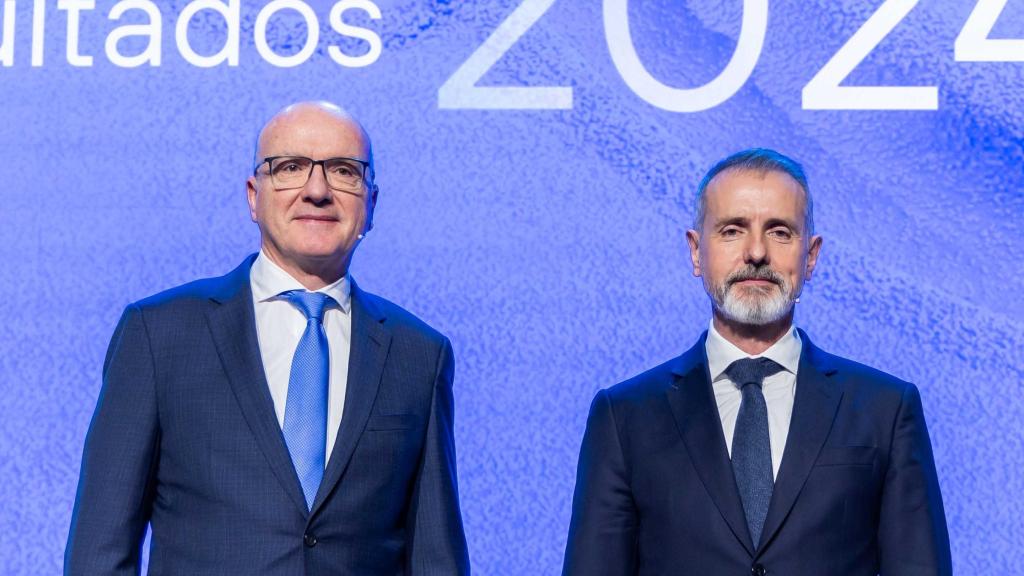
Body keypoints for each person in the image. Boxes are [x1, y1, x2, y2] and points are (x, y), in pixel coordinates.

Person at [65, 101, 470, 575]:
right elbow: (100, 552)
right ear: (253, 197)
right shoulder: (159, 335)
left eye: (343, 170)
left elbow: (436, 559)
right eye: (291, 167)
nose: (317, 191)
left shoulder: (419, 354)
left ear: (371, 203)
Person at [562, 149, 951, 576]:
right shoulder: (624, 417)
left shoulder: (885, 409)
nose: (756, 252)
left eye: (780, 232)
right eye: (732, 230)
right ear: (696, 251)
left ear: (811, 256)